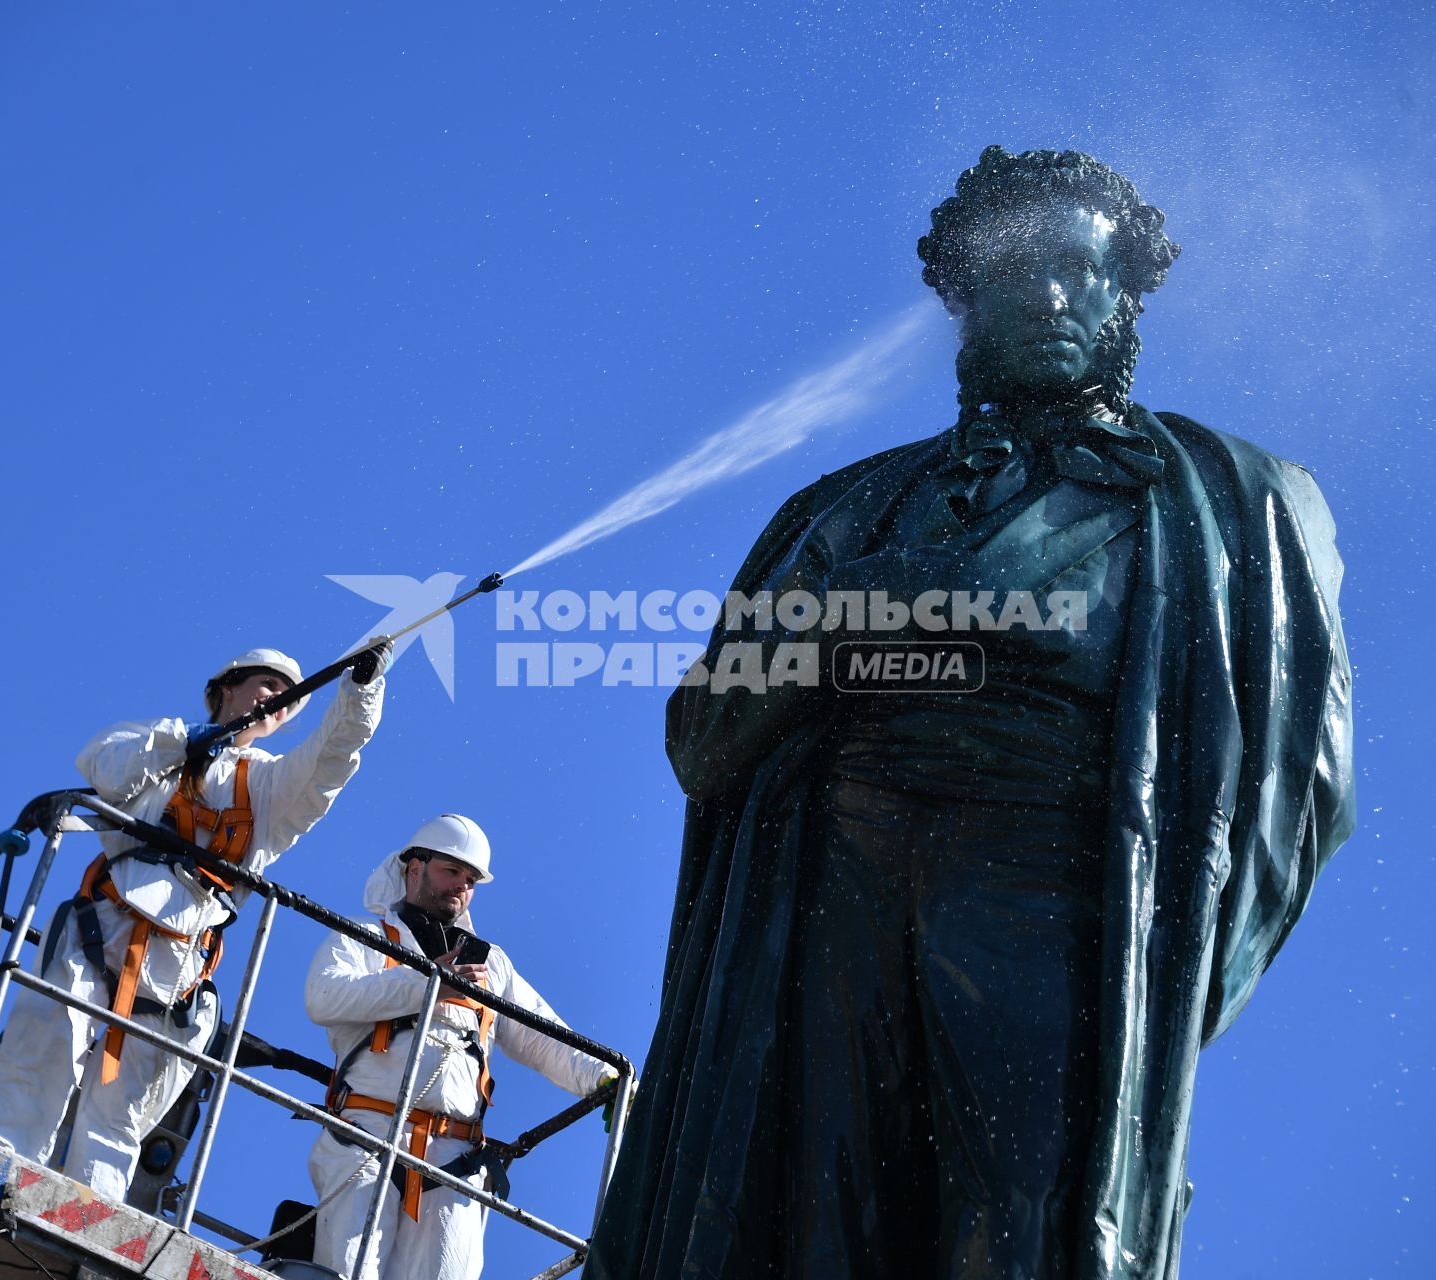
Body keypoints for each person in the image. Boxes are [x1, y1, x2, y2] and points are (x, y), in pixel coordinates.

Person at [588, 147, 1355, 1279]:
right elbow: (706, 741)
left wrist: (1174, 970)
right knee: (811, 1220)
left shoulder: (1232, 498)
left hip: (1054, 874)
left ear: (1125, 293)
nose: (1047, 291)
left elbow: (1301, 782)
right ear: (966, 299)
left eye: (1078, 269)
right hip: (836, 886)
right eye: (1015, 270)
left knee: (1024, 1219)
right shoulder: (849, 505)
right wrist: (839, 619)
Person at [0, 644, 388, 1201]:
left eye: (285, 700)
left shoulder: (268, 787)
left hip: (181, 964)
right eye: (265, 687)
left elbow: (330, 763)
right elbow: (101, 764)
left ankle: (80, 1221)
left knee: (121, 1110)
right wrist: (188, 740)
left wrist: (359, 694)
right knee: (40, 1052)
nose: (276, 703)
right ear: (227, 689)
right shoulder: (162, 744)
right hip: (101, 930)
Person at [305, 814, 611, 1280]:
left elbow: (544, 1037)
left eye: (471, 881)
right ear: (414, 868)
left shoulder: (489, 965)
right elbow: (323, 996)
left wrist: (602, 1078)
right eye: (452, 871)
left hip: (455, 1161)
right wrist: (428, 985)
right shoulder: (365, 938)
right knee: (349, 1274)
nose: (461, 887)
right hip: (365, 1140)